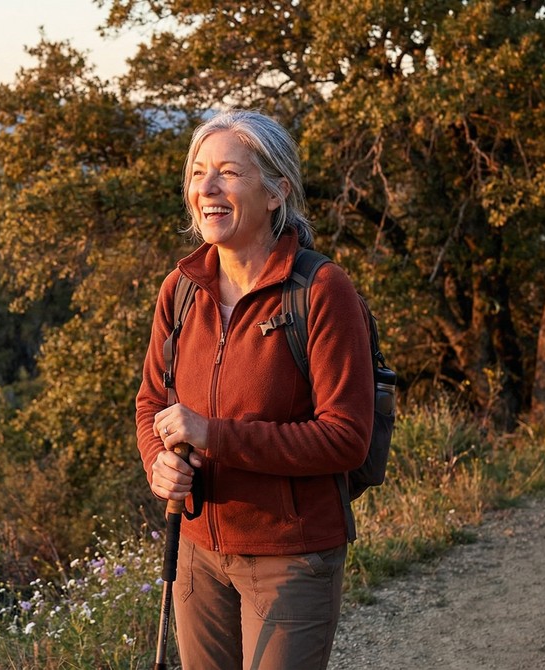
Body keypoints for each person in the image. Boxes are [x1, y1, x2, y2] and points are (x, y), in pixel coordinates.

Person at [135, 109, 374, 669]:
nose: (207, 188)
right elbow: (152, 401)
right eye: (198, 173)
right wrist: (156, 462)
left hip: (292, 556)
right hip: (194, 549)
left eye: (228, 173)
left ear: (275, 192)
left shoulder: (320, 291)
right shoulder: (180, 290)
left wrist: (213, 436)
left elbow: (346, 438)